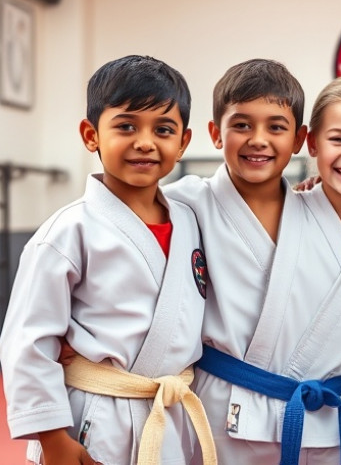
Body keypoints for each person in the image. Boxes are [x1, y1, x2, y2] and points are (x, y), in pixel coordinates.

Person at [166, 62, 341, 464]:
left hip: (330, 419)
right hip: (227, 413)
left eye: (275, 126)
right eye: (242, 125)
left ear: (298, 138)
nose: (258, 140)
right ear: (314, 143)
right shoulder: (188, 202)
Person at [0, 55, 215, 465]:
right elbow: (27, 343)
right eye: (126, 126)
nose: (145, 142)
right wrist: (53, 440)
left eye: (163, 129)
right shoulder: (67, 231)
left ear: (183, 142)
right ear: (91, 134)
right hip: (96, 418)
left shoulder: (191, 220)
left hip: (172, 416)